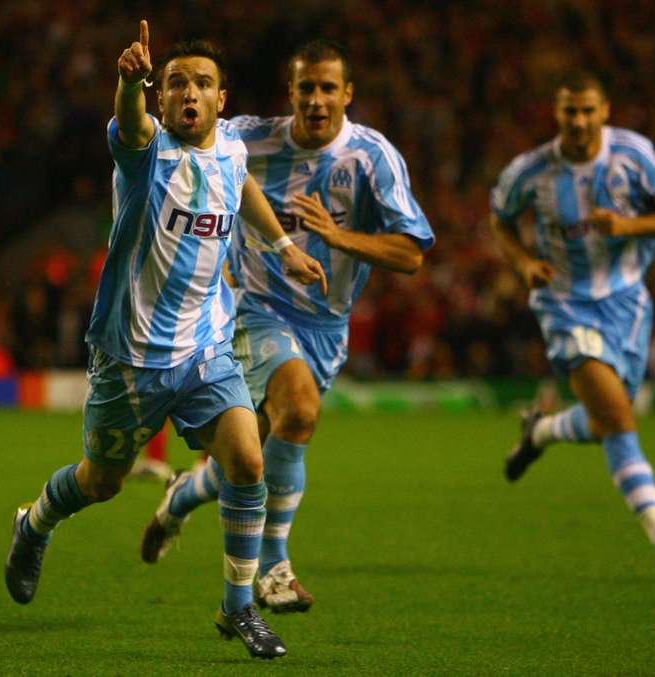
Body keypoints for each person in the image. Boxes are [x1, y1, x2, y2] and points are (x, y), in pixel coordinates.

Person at [4, 20, 328, 660]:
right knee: (102, 482)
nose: (189, 93)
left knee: (247, 458)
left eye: (201, 84)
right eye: (176, 82)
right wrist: (129, 84)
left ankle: (237, 608)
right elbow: (128, 124)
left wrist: (283, 245)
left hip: (206, 349)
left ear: (220, 99)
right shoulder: (146, 151)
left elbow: (244, 186)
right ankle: (34, 522)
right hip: (129, 358)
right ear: (162, 96)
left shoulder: (232, 149)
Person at [139, 39, 435, 611]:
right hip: (253, 308)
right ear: (291, 92)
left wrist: (339, 237)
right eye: (306, 88)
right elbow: (183, 145)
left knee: (254, 454)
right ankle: (274, 570)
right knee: (299, 410)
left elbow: (412, 254)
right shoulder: (249, 136)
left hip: (327, 325)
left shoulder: (372, 157)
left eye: (329, 89)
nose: (317, 100)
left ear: (348, 94)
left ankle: (182, 494)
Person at [489, 71, 655, 573]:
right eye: (570, 112)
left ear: (604, 110)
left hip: (628, 303)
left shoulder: (634, 154)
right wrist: (522, 265)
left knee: (608, 417)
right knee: (619, 419)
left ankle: (541, 431)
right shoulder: (531, 171)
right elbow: (499, 218)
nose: (580, 121)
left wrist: (627, 225)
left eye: (588, 111)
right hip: (564, 303)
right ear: (556, 114)